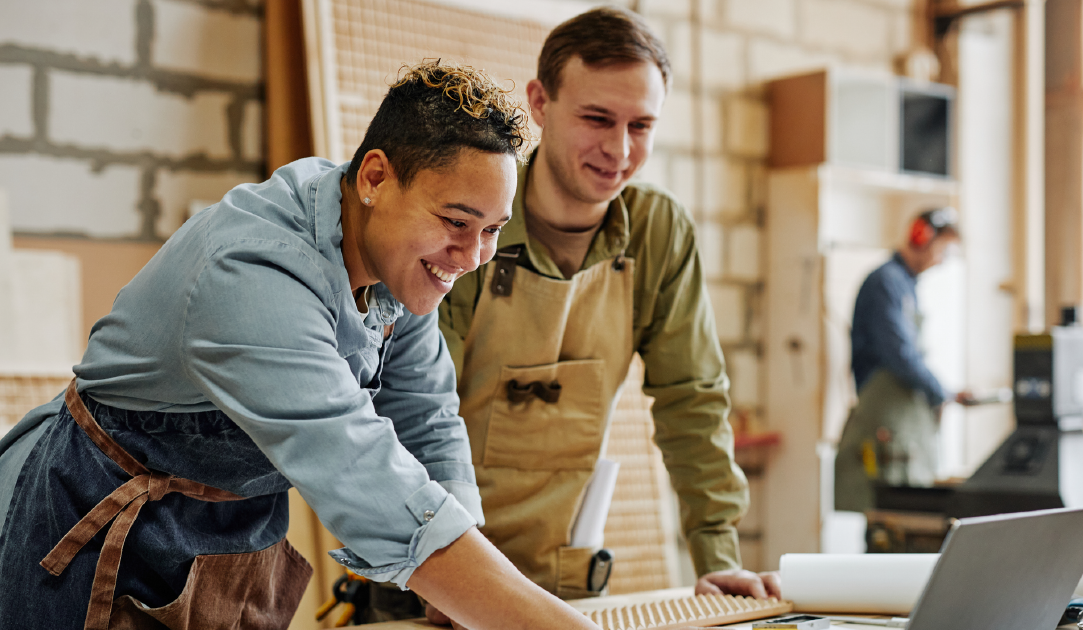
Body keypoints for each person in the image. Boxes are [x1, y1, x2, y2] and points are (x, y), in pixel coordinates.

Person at [0, 61, 602, 630]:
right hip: (99, 533)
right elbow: (367, 476)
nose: (472, 257)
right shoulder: (250, 274)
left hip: (231, 540)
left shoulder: (397, 260)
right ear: (374, 178)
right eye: (456, 222)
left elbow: (426, 415)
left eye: (493, 230)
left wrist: (457, 581)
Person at [359, 7, 776, 624]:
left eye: (642, 125)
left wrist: (717, 552)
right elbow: (413, 412)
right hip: (429, 582)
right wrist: (447, 578)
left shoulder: (658, 234)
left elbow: (693, 401)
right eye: (597, 118)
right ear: (540, 102)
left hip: (564, 585)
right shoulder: (470, 222)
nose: (619, 149)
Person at [833, 207, 971, 513]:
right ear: (921, 237)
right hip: (884, 422)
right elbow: (899, 354)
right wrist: (940, 392)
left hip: (900, 427)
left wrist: (947, 393)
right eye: (942, 250)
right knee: (886, 523)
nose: (941, 261)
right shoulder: (886, 282)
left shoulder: (905, 286)